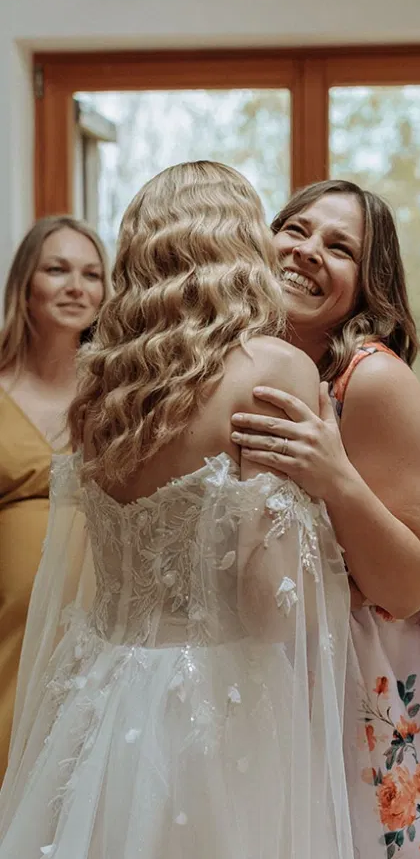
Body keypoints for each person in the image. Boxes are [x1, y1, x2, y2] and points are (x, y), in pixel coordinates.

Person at [0, 163, 353, 859]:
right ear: (242, 248)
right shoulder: (275, 369)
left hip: (99, 691)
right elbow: (268, 602)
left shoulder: (100, 384)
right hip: (214, 704)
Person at [230, 179, 420, 858]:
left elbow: (403, 586)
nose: (308, 253)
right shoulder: (242, 364)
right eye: (297, 231)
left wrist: (334, 475)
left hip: (370, 674)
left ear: (367, 289)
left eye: (339, 249)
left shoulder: (371, 380)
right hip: (273, 658)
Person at [0, 216, 108, 784]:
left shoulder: (115, 391)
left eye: (91, 274)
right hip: (8, 630)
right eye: (57, 269)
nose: (76, 286)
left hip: (99, 617)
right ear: (25, 284)